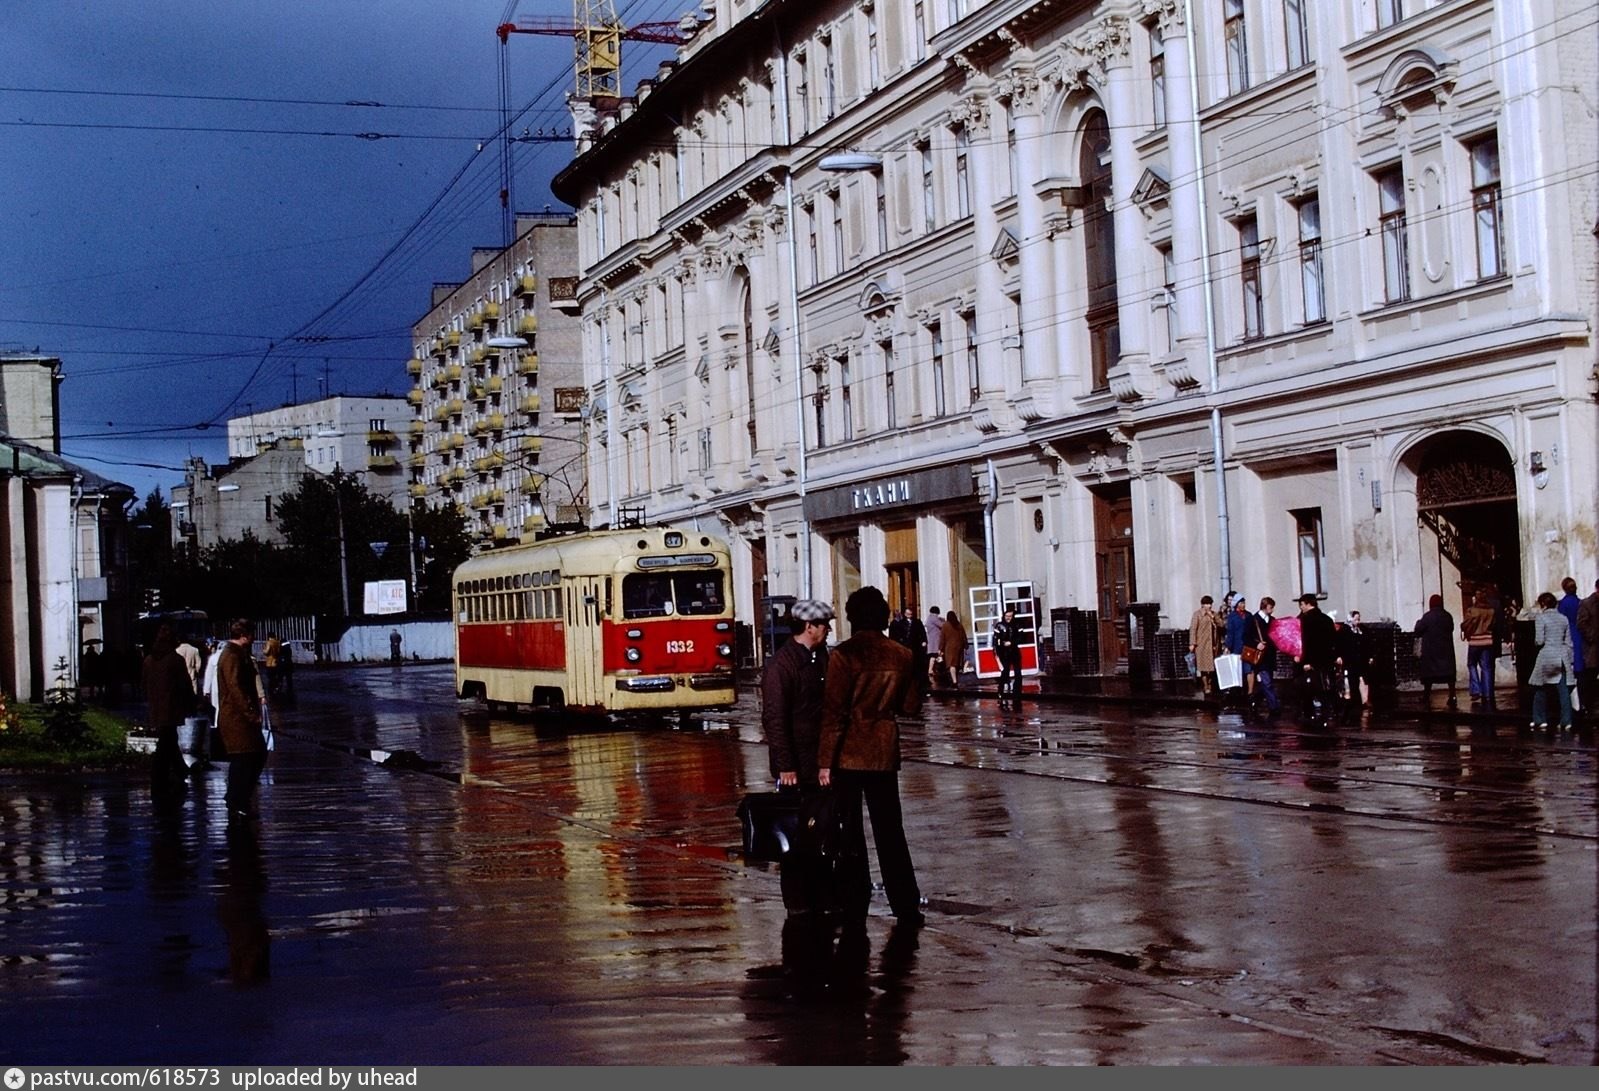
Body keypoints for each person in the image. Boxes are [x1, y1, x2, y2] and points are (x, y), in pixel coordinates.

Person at [818, 586, 925, 926]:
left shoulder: (843, 656)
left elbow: (833, 714)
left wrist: (824, 761)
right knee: (891, 831)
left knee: (849, 832)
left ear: (851, 617)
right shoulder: (902, 654)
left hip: (849, 753)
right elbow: (910, 706)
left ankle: (855, 900)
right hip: (883, 749)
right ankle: (906, 904)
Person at [760, 598, 834, 917]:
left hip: (819, 763)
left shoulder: (821, 659)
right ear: (809, 627)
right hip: (797, 766)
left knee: (823, 832)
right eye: (824, 625)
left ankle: (822, 895)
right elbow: (775, 720)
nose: (828, 630)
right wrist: (785, 766)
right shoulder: (782, 665)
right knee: (795, 835)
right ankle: (798, 902)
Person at [216, 618, 270, 820]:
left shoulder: (238, 654)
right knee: (244, 759)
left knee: (251, 757)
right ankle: (236, 800)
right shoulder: (232, 656)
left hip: (240, 717)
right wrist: (250, 713)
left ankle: (238, 799)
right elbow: (235, 687)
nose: (254, 637)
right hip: (236, 718)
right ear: (244, 635)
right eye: (252, 633)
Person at [141, 623, 195, 811]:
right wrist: (192, 703)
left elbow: (143, 683)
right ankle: (162, 773)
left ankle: (176, 769)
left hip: (155, 707)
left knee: (168, 738)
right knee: (168, 739)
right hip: (171, 706)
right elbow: (185, 685)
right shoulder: (175, 659)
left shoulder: (148, 660)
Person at [1528, 591, 1575, 730]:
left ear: (1543, 604)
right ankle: (1566, 721)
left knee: (1540, 688)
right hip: (1561, 656)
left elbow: (1539, 640)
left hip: (1546, 655)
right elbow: (1568, 641)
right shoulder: (1564, 618)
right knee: (1563, 690)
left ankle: (1540, 719)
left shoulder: (1541, 618)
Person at [1294, 594, 1336, 724]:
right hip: (1325, 660)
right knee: (1325, 686)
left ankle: (1309, 713)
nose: (1301, 608)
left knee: (1307, 687)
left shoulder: (1305, 621)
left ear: (1307, 604)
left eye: (1301, 605)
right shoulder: (1327, 620)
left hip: (1310, 660)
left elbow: (1307, 643)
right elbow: (1332, 641)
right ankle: (1327, 711)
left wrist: (1306, 661)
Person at [1414, 594, 1458, 711]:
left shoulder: (1427, 617)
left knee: (1429, 675)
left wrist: (1419, 622)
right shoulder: (1447, 616)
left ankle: (1426, 695)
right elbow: (1451, 628)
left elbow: (1418, 631)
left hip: (1431, 651)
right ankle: (1452, 695)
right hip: (1446, 650)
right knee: (1449, 675)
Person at [1461, 590, 1499, 705]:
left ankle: (1476, 689)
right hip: (1487, 640)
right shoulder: (1491, 611)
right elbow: (1494, 625)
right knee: (1486, 667)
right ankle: (1487, 693)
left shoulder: (1472, 611)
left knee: (1471, 664)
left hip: (1475, 641)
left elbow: (1465, 625)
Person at [1243, 598, 1279, 719]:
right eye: (1271, 607)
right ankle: (1274, 708)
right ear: (1264, 606)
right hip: (1259, 657)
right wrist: (1255, 644)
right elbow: (1245, 637)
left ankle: (1254, 700)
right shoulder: (1253, 620)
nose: (1272, 610)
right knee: (1267, 682)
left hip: (1269, 656)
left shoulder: (1272, 620)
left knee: (1266, 682)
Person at [1557, 578, 1584, 720]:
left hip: (1568, 636)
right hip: (1579, 636)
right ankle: (1582, 703)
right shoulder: (1580, 602)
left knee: (1569, 672)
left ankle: (1573, 705)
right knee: (1580, 672)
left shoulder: (1562, 604)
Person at [1187, 595, 1224, 697]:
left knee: (1212, 667)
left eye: (1210, 604)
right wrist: (1192, 643)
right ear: (1203, 605)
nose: (1209, 606)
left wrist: (1213, 618)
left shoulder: (1214, 614)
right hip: (1202, 644)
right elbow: (1193, 629)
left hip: (1213, 644)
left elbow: (1221, 624)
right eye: (1207, 604)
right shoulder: (1197, 615)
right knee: (1203, 667)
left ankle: (1211, 684)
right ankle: (1205, 685)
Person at [1338, 610, 1372, 713]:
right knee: (1351, 680)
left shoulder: (1362, 630)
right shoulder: (1344, 631)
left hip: (1362, 659)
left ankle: (1365, 701)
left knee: (1364, 680)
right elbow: (1340, 645)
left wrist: (1370, 656)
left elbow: (1368, 644)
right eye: (1355, 619)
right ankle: (1351, 700)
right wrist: (1339, 657)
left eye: (1358, 619)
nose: (1357, 621)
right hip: (1350, 660)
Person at [888, 607, 928, 688]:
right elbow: (898, 634)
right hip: (905, 645)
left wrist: (924, 641)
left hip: (915, 645)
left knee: (917, 662)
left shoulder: (917, 622)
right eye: (907, 614)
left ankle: (918, 679)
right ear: (905, 614)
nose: (909, 615)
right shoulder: (901, 623)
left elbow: (922, 632)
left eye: (910, 614)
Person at [1577, 578, 1599, 724]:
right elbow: (1581, 623)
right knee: (1590, 677)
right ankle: (1588, 707)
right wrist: (1592, 636)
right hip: (1593, 648)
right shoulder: (1587, 603)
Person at [991, 608, 1022, 708]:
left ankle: (1016, 693)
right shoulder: (999, 626)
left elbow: (1021, 637)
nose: (1008, 618)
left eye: (1010, 616)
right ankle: (1000, 691)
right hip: (1004, 653)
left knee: (1018, 673)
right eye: (1007, 616)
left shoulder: (1017, 624)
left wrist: (1012, 643)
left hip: (1014, 652)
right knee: (1005, 673)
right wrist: (998, 652)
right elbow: (996, 641)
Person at [937, 610, 969, 692]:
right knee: (957, 664)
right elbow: (964, 636)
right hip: (959, 647)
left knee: (951, 665)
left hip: (949, 648)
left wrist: (940, 649)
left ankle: (954, 682)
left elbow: (942, 638)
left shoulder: (945, 625)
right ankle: (955, 679)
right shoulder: (959, 625)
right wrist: (966, 646)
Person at [924, 606, 946, 688]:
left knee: (933, 655)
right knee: (937, 654)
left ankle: (931, 669)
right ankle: (936, 669)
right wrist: (943, 620)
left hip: (932, 639)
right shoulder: (933, 618)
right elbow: (942, 625)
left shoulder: (929, 618)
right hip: (935, 640)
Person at [262, 633, 283, 698]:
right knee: (275, 676)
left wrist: (263, 650)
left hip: (270, 662)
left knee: (270, 678)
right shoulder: (278, 642)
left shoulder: (269, 642)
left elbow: (267, 652)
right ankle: (276, 688)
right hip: (276, 662)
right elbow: (279, 651)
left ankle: (271, 691)